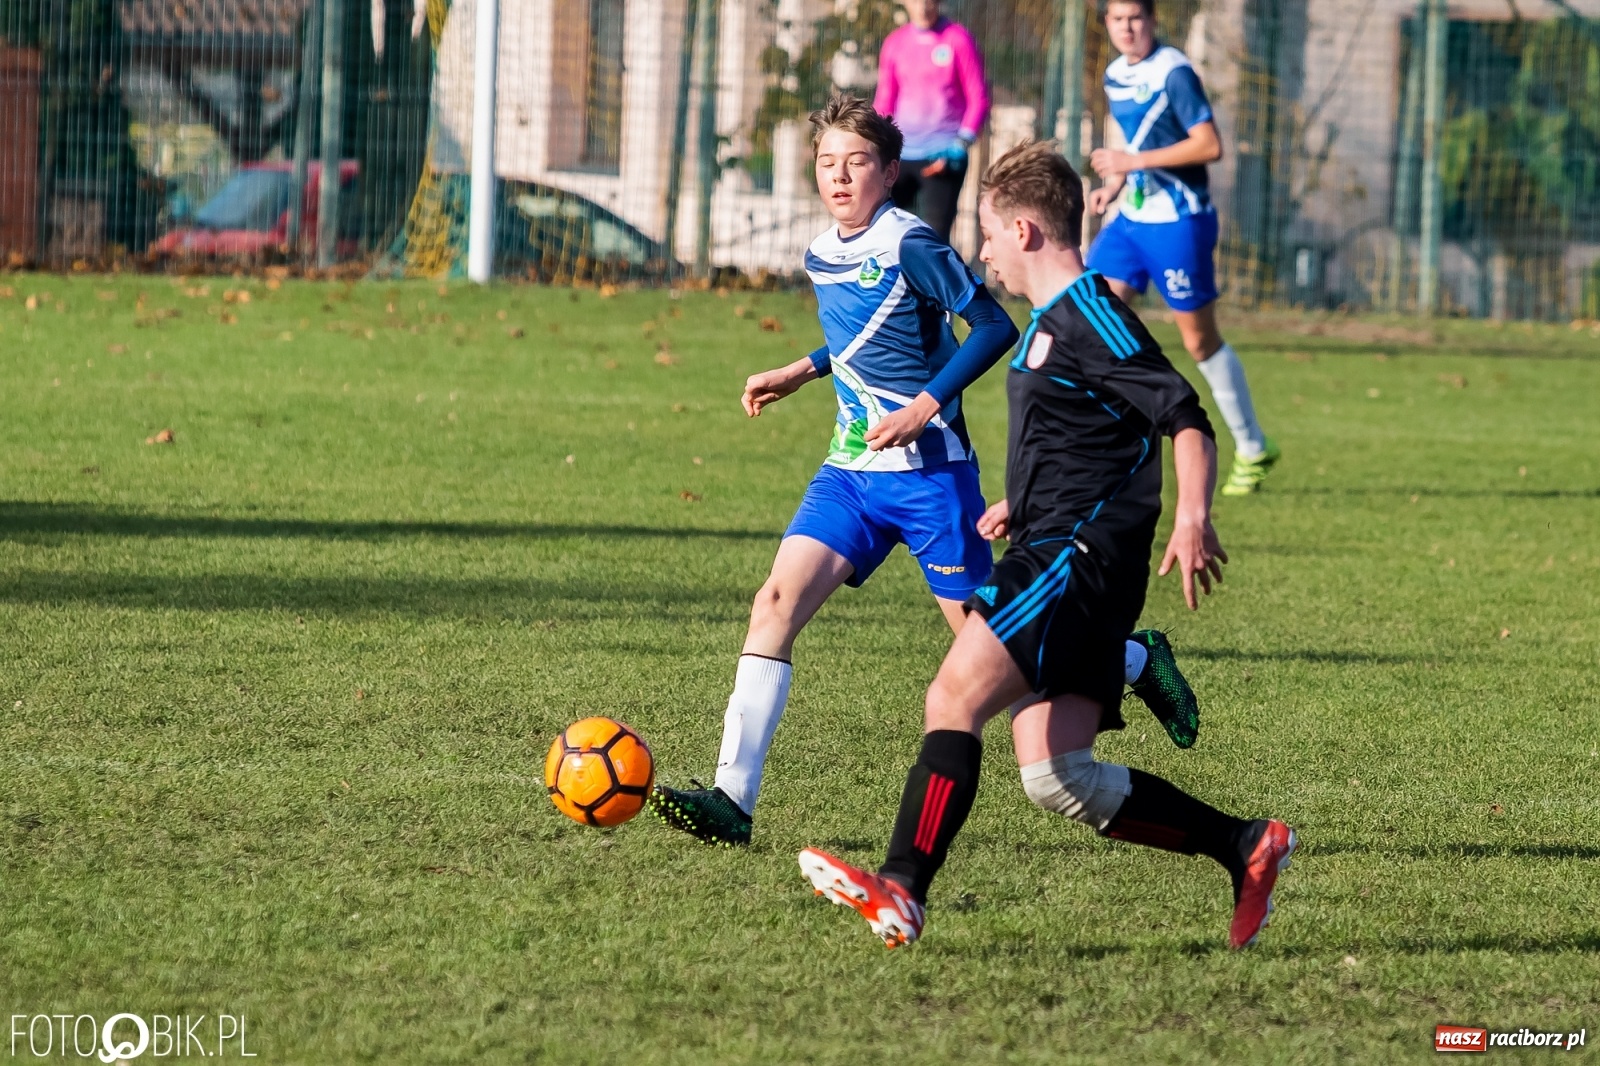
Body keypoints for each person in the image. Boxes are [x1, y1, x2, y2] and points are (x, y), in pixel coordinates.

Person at [647, 97, 1201, 850]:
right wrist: (802, 370)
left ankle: (1132, 655)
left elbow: (993, 326)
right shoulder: (820, 251)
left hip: (930, 476)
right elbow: (865, 334)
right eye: (826, 163)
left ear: (890, 172)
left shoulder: (913, 244)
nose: (839, 177)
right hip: (849, 470)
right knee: (773, 603)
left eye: (857, 163)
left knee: (989, 643)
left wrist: (924, 407)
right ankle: (732, 801)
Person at [797, 141, 1295, 951]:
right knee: (1056, 776)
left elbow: (1183, 417)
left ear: (1026, 232)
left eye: (988, 234)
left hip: (1073, 562)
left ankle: (902, 889)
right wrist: (1014, 503)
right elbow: (1093, 436)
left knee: (953, 698)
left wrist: (1194, 516)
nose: (982, 252)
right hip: (1055, 548)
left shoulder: (1091, 311)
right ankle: (1244, 845)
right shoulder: (1049, 327)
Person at [1086, 0, 1280, 496]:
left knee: (1198, 341)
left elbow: (1208, 145)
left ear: (1152, 20)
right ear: (1107, 24)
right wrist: (1115, 185)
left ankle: (1252, 446)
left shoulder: (1174, 72)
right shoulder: (1113, 75)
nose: (1127, 28)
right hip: (1132, 219)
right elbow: (1135, 144)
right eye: (1117, 19)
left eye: (1136, 17)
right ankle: (1105, 447)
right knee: (1090, 318)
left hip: (1179, 221)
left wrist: (1132, 161)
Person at [873, 0, 989, 243]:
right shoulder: (895, 43)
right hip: (901, 155)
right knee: (878, 229)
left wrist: (959, 145)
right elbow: (885, 100)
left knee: (933, 240)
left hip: (942, 155)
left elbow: (978, 97)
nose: (923, 6)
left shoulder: (958, 39)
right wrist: (875, 144)